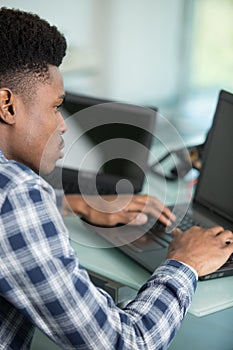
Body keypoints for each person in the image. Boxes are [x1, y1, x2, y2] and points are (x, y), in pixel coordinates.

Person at [0, 7, 233, 350]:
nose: (62, 124)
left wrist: (76, 203)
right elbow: (124, 343)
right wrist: (186, 262)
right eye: (54, 106)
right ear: (7, 106)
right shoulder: (17, 194)